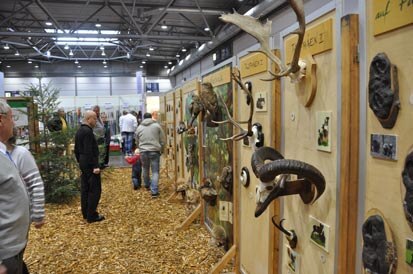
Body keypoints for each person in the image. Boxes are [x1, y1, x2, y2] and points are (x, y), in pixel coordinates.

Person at [6, 128, 46, 274]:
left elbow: (35, 184)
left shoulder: (20, 154)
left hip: (16, 221)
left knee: (11, 257)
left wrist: (38, 214)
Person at [0, 99, 30, 274]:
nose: (14, 122)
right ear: (1, 120)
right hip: (5, 256)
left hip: (13, 249)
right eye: (12, 117)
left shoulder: (4, 152)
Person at [74, 110, 105, 223]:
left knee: (85, 188)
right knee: (94, 189)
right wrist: (95, 166)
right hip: (89, 163)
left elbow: (76, 150)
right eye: (94, 119)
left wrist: (80, 162)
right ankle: (92, 215)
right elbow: (89, 151)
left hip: (83, 162)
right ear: (88, 119)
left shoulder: (79, 131)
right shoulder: (87, 132)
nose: (96, 121)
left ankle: (86, 213)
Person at [135, 112, 165, 198]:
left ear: (144, 118)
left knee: (145, 168)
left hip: (143, 151)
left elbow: (137, 140)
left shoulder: (139, 127)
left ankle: (147, 185)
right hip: (155, 151)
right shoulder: (157, 126)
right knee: (155, 171)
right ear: (151, 117)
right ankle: (154, 191)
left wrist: (139, 148)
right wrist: (161, 149)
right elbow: (162, 139)